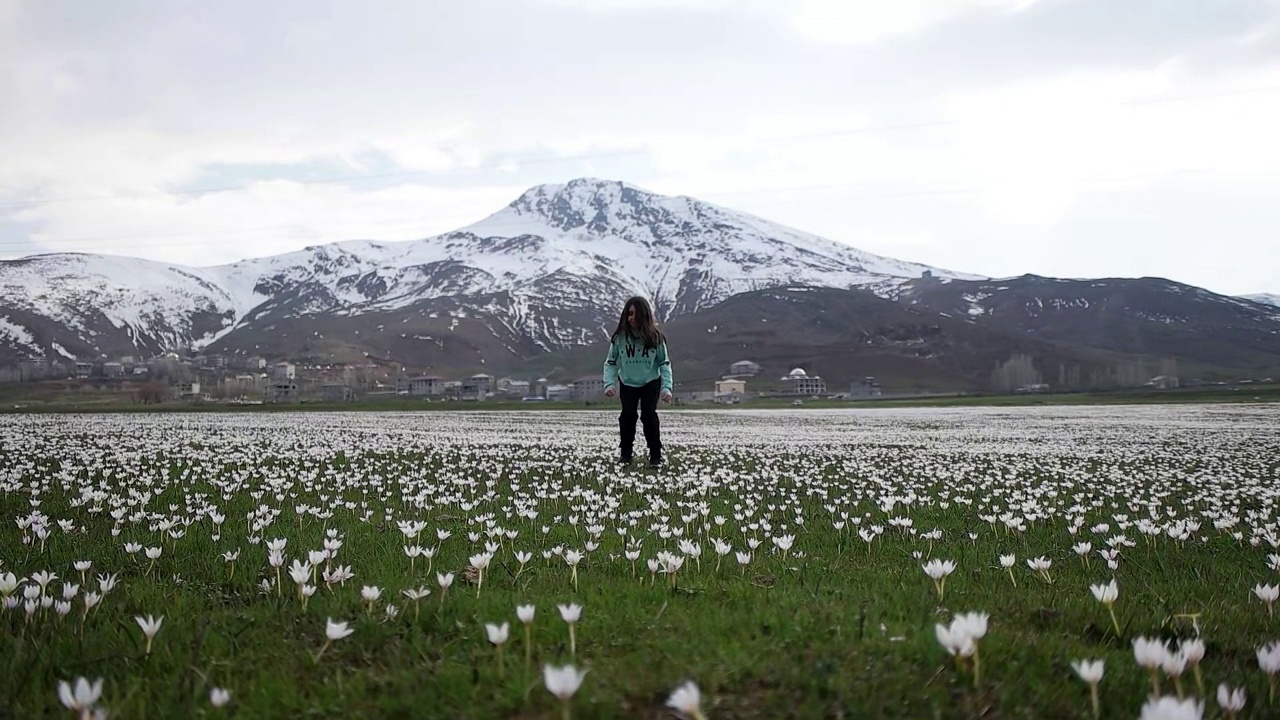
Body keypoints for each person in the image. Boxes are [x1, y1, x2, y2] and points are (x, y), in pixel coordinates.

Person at [602, 296, 673, 467]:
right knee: (627, 417)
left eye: (635, 314)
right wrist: (609, 383)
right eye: (629, 314)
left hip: (651, 382)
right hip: (628, 383)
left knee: (649, 416)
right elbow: (610, 362)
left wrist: (667, 387)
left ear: (645, 315)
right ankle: (625, 455)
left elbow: (664, 363)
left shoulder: (656, 338)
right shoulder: (619, 339)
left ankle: (656, 457)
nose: (632, 318)